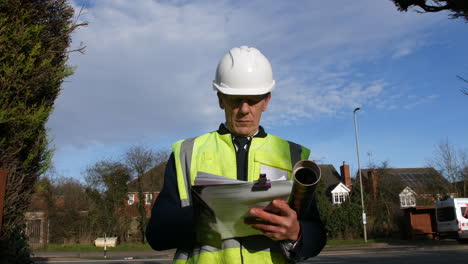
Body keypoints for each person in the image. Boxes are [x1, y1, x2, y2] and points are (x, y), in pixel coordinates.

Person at [146, 46, 326, 263]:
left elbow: (317, 234)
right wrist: (205, 217)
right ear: (220, 99)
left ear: (266, 101)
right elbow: (157, 235)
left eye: (253, 99)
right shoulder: (187, 153)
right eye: (235, 99)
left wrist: (296, 233)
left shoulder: (293, 155)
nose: (244, 109)